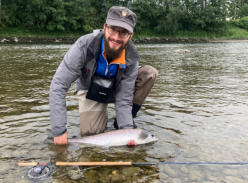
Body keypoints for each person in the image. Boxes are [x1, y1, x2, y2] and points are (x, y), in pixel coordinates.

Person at [49, 6, 158, 145]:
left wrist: (127, 130)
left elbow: (124, 98)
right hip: (90, 89)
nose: (116, 37)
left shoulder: (132, 57)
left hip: (117, 88)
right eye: (113, 29)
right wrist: (59, 131)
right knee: (91, 135)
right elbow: (58, 85)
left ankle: (123, 122)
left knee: (149, 73)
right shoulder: (84, 46)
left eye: (123, 32)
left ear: (131, 36)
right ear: (105, 27)